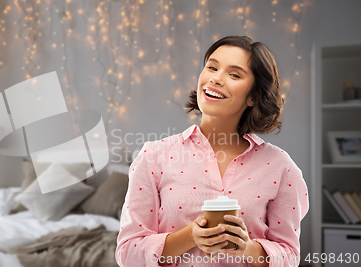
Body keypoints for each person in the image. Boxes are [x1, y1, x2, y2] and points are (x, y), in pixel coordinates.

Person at [115, 36, 309, 267]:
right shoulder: (153, 157)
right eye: (212, 67)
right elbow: (128, 253)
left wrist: (248, 249)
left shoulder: (280, 167)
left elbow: (289, 255)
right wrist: (189, 237)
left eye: (234, 74)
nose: (216, 78)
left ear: (253, 96)